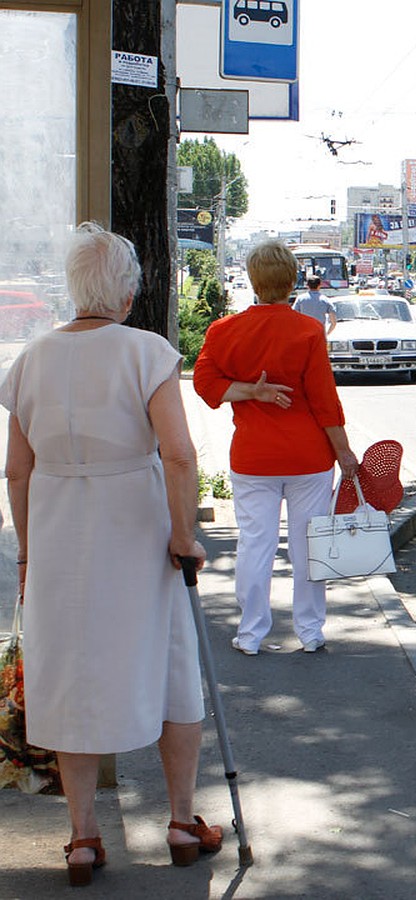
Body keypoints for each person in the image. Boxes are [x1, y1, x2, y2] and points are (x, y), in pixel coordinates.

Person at [0, 223, 222, 885]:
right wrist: (183, 535)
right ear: (127, 294)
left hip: (61, 530)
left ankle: (84, 838)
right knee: (171, 665)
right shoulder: (146, 352)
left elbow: (17, 470)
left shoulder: (29, 360)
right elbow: (179, 454)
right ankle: (182, 822)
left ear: (73, 289)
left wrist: (29, 557)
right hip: (136, 526)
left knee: (68, 675)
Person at [193, 239, 359, 657]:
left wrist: (252, 391)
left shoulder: (223, 331)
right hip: (308, 458)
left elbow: (204, 383)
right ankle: (310, 630)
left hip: (253, 457)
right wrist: (345, 454)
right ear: (292, 281)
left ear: (252, 279)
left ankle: (250, 632)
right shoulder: (307, 330)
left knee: (255, 543)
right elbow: (325, 402)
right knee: (308, 543)